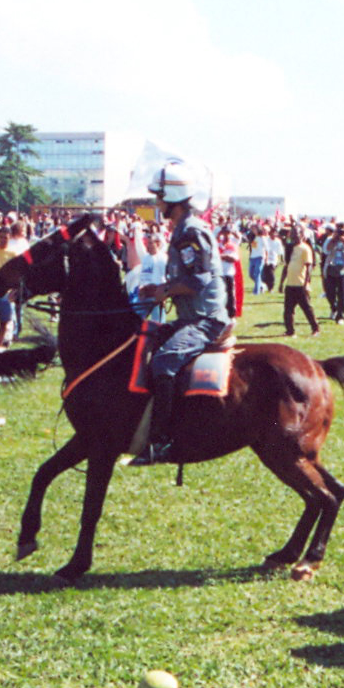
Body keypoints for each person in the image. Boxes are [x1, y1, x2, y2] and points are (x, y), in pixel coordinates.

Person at [130, 160, 231, 466]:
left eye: (159, 197)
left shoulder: (190, 231)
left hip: (206, 320)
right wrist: (160, 287)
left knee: (163, 363)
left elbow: (199, 280)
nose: (157, 202)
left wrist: (165, 291)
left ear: (172, 198)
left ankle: (164, 441)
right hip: (191, 317)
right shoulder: (181, 229)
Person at [280, 227, 320, 337]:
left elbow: (309, 267)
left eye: (297, 234)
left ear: (302, 235)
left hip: (300, 284)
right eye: (292, 234)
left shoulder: (305, 248)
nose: (294, 236)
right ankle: (290, 331)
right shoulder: (290, 248)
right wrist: (281, 283)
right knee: (288, 310)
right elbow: (287, 266)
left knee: (307, 308)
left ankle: (315, 329)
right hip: (290, 284)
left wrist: (307, 282)